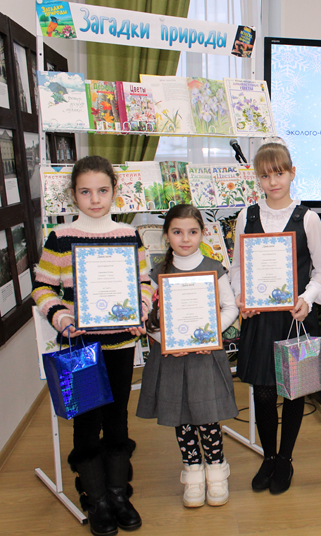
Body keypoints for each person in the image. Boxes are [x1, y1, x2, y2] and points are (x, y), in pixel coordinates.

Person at [33, 156, 153, 536]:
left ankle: (118, 493)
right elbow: (42, 287)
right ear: (74, 195)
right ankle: (94, 497)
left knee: (117, 417)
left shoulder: (129, 235)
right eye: (85, 192)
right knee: (87, 421)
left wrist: (141, 308)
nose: (95, 199)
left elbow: (144, 282)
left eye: (102, 190)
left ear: (115, 191)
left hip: (120, 344)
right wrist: (60, 317)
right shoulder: (60, 237)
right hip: (81, 348)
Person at [229, 140, 321, 495]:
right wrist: (242, 297)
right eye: (265, 176)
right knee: (262, 392)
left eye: (279, 173)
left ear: (292, 173)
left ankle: (285, 459)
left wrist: (307, 298)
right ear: (257, 179)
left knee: (293, 392)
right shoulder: (246, 216)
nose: (273, 182)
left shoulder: (308, 218)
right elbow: (237, 267)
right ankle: (268, 457)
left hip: (294, 318)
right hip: (260, 318)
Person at [136, 204, 239, 508]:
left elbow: (230, 308)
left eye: (192, 232)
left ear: (202, 233)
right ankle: (192, 472)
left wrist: (211, 334)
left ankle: (217, 470)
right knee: (181, 418)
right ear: (167, 235)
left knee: (207, 416)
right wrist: (167, 340)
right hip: (172, 358)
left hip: (205, 357)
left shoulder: (214, 268)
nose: (185, 238)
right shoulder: (157, 273)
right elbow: (149, 319)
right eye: (177, 232)